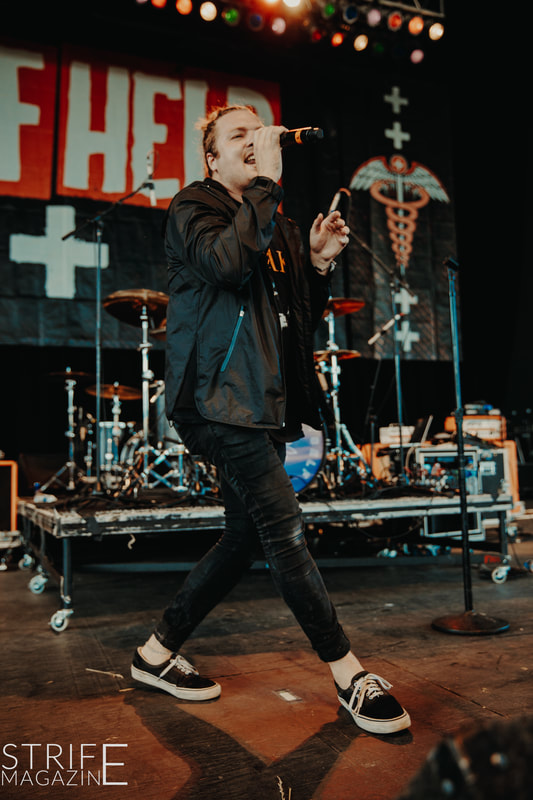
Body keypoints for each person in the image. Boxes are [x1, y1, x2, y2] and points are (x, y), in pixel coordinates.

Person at [131, 105, 411, 735]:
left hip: (263, 401)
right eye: (240, 134)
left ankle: (154, 653)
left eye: (260, 130)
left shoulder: (276, 222)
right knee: (283, 527)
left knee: (244, 537)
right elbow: (227, 266)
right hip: (214, 399)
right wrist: (267, 185)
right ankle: (348, 674)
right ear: (212, 158)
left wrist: (317, 262)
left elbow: (296, 318)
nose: (256, 138)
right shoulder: (193, 206)